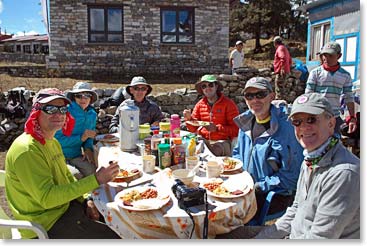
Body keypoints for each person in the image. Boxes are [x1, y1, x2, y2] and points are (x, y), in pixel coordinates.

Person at [5, 88, 120, 239]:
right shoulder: (27, 150)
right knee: (118, 235)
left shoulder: (52, 141)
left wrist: (86, 199)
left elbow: (66, 177)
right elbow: (48, 199)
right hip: (44, 225)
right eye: (50, 108)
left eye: (63, 109)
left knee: (116, 218)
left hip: (64, 208)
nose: (58, 114)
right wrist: (96, 179)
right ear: (37, 112)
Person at [253, 93, 360, 239]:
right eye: (297, 122)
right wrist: (261, 238)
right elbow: (296, 209)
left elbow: (321, 237)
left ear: (331, 123)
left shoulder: (344, 173)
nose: (304, 127)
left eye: (311, 119)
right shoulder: (311, 158)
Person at [232, 77, 304, 221]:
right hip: (246, 189)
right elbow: (237, 154)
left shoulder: (287, 130)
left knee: (227, 220)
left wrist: (258, 187)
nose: (254, 100)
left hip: (271, 196)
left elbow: (292, 177)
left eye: (260, 94)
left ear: (272, 96)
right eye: (249, 96)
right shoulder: (245, 123)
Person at [305, 41, 357, 136]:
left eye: (330, 55)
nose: (326, 58)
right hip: (317, 116)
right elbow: (308, 95)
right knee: (316, 143)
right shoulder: (315, 73)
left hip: (334, 116)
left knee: (334, 143)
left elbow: (349, 97)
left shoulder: (345, 75)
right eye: (324, 55)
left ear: (339, 56)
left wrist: (352, 117)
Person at [183, 74, 239, 156]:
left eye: (210, 85)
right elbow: (192, 128)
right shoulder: (199, 104)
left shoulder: (228, 104)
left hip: (222, 141)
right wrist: (189, 119)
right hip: (204, 140)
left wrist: (217, 128)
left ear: (216, 86)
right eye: (204, 86)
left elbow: (236, 130)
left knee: (213, 152)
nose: (207, 88)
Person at [55, 82, 98, 179]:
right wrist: (81, 138)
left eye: (87, 95)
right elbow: (56, 140)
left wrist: (88, 149)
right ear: (74, 97)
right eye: (79, 96)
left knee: (94, 172)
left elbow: (89, 136)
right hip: (58, 156)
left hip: (76, 155)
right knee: (75, 177)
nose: (83, 99)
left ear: (91, 98)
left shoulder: (92, 114)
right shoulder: (65, 112)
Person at [273, 36, 292, 100]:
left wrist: (282, 68)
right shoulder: (285, 48)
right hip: (286, 70)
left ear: (275, 43)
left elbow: (283, 58)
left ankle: (279, 104)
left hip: (281, 71)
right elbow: (290, 60)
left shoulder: (280, 48)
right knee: (283, 88)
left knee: (279, 89)